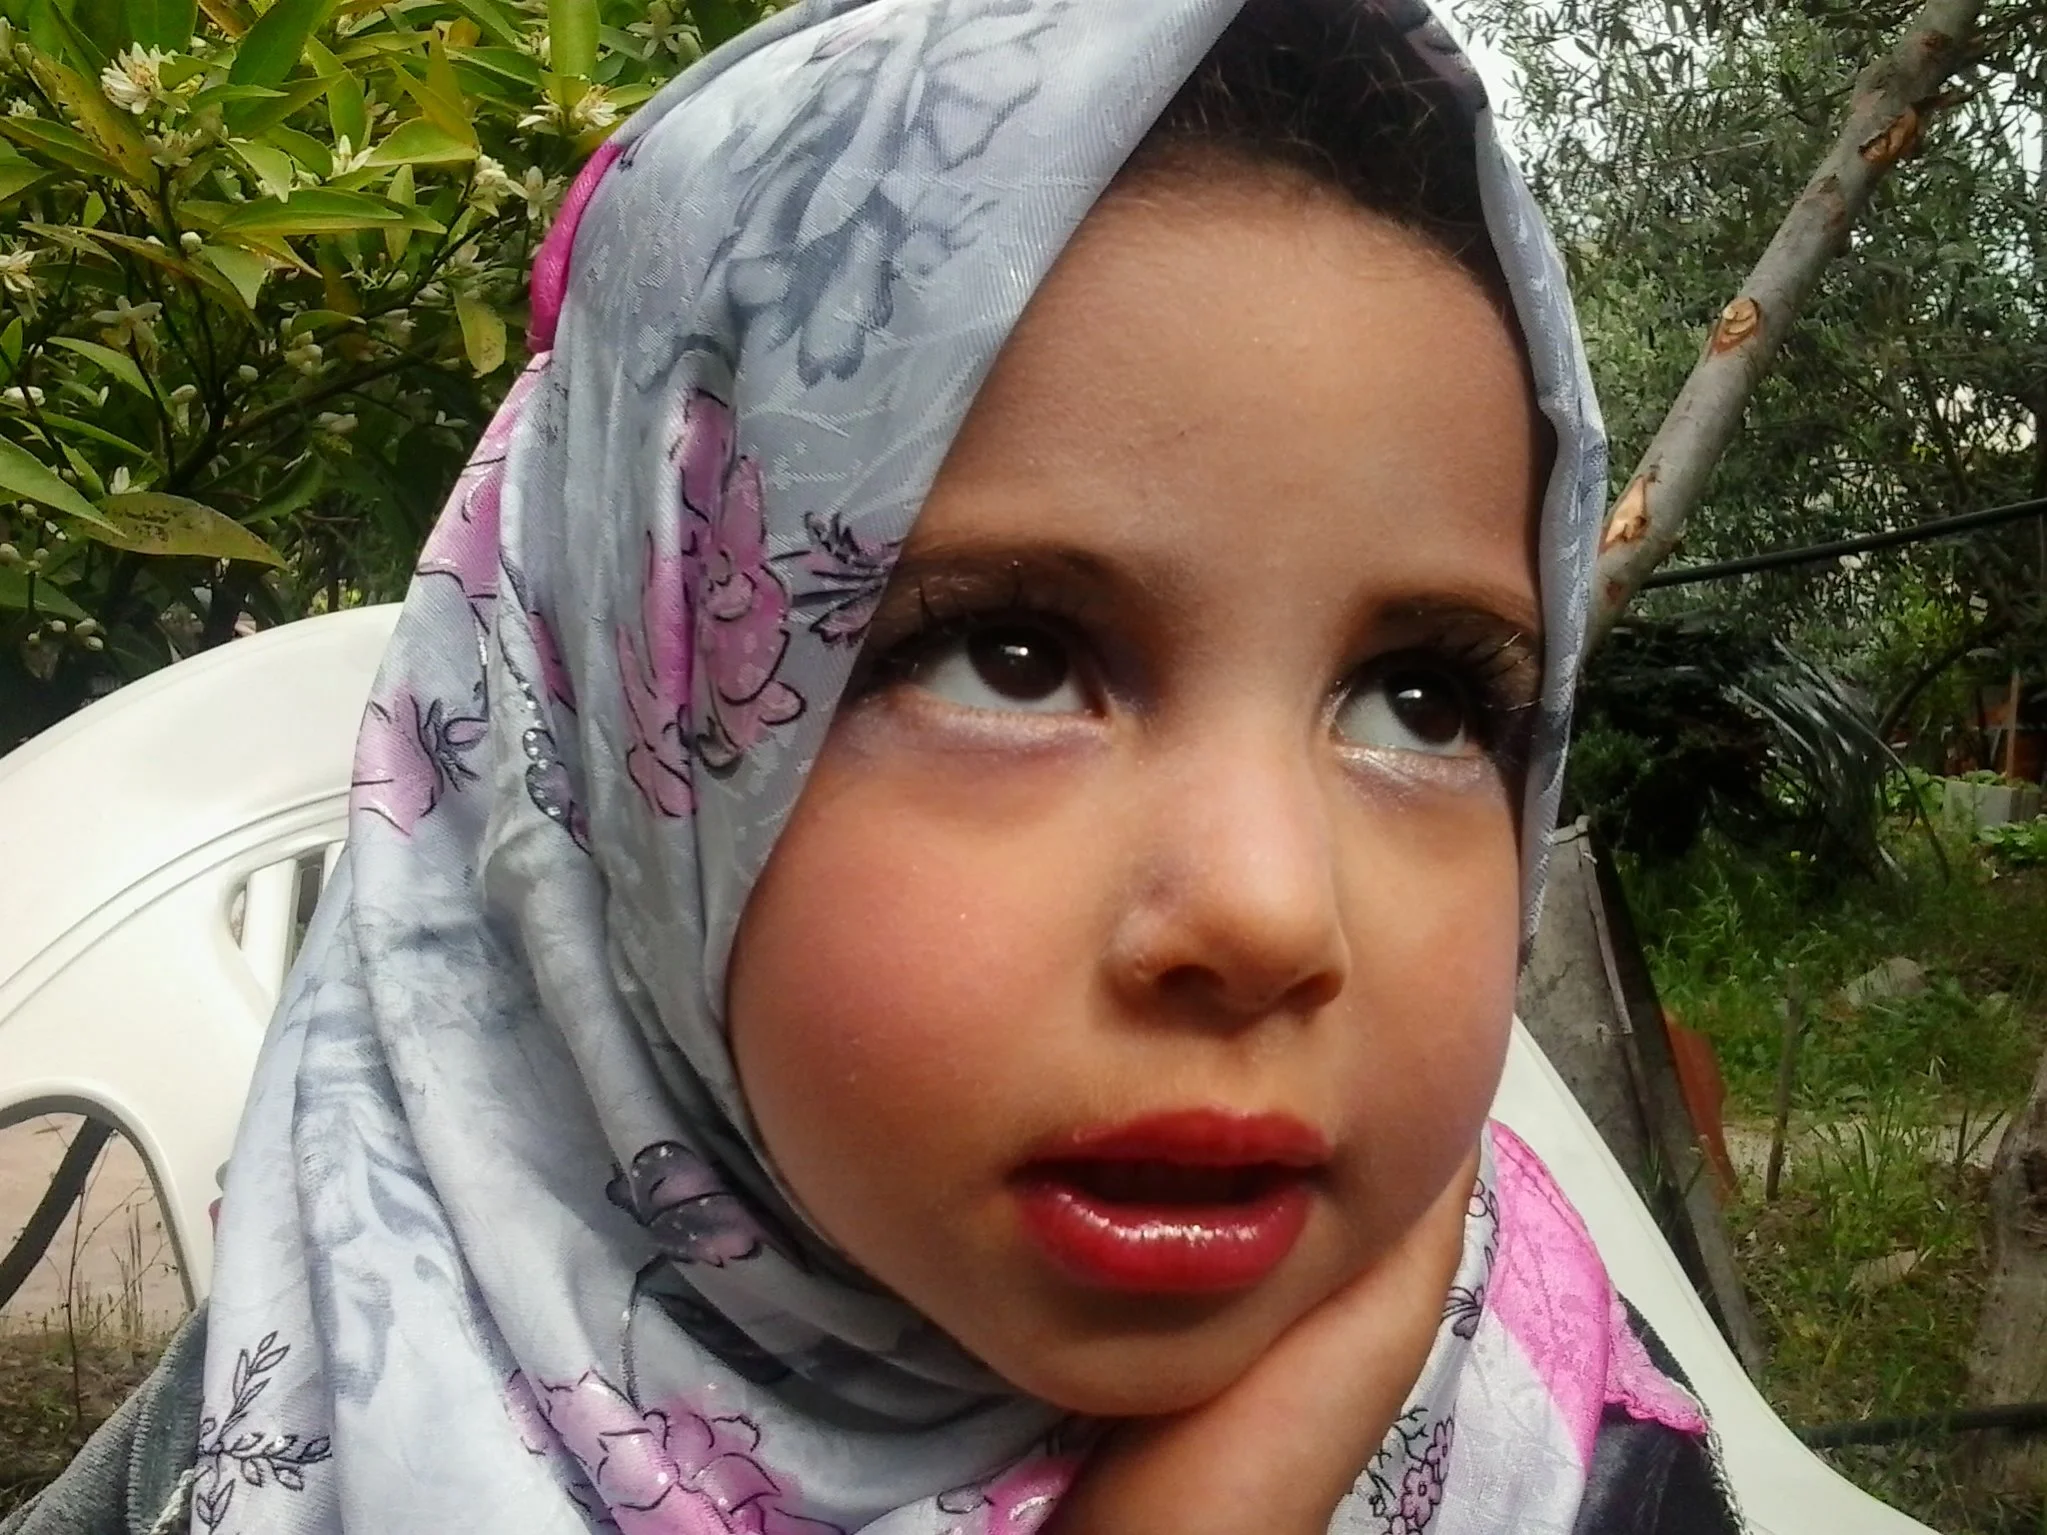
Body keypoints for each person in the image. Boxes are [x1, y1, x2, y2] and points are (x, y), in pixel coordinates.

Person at [7, 2, 1745, 1531]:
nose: (1268, 912)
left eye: (1425, 701)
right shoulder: (297, 1407)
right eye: (1012, 655)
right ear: (616, 752)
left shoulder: (1561, 1453)